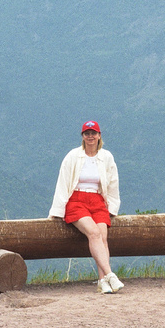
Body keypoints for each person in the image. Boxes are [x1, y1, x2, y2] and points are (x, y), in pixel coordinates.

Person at [48, 120, 123, 294]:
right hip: (76, 200)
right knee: (94, 233)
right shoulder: (73, 156)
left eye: (93, 133)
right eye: (87, 133)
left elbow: (113, 183)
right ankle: (110, 275)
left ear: (99, 136)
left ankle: (101, 281)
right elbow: (63, 182)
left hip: (98, 201)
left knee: (103, 237)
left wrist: (112, 208)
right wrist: (58, 210)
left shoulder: (106, 157)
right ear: (82, 136)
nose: (90, 136)